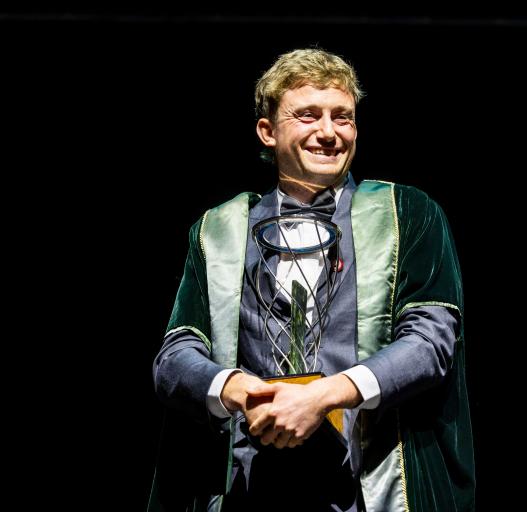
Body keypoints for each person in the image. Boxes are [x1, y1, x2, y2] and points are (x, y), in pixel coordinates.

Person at [148, 48, 475, 512]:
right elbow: (176, 355)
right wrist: (239, 389)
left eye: (343, 118)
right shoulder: (219, 230)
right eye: (308, 115)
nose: (328, 132)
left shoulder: (407, 214)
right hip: (250, 488)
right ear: (267, 131)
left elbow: (430, 342)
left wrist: (324, 395)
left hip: (365, 487)